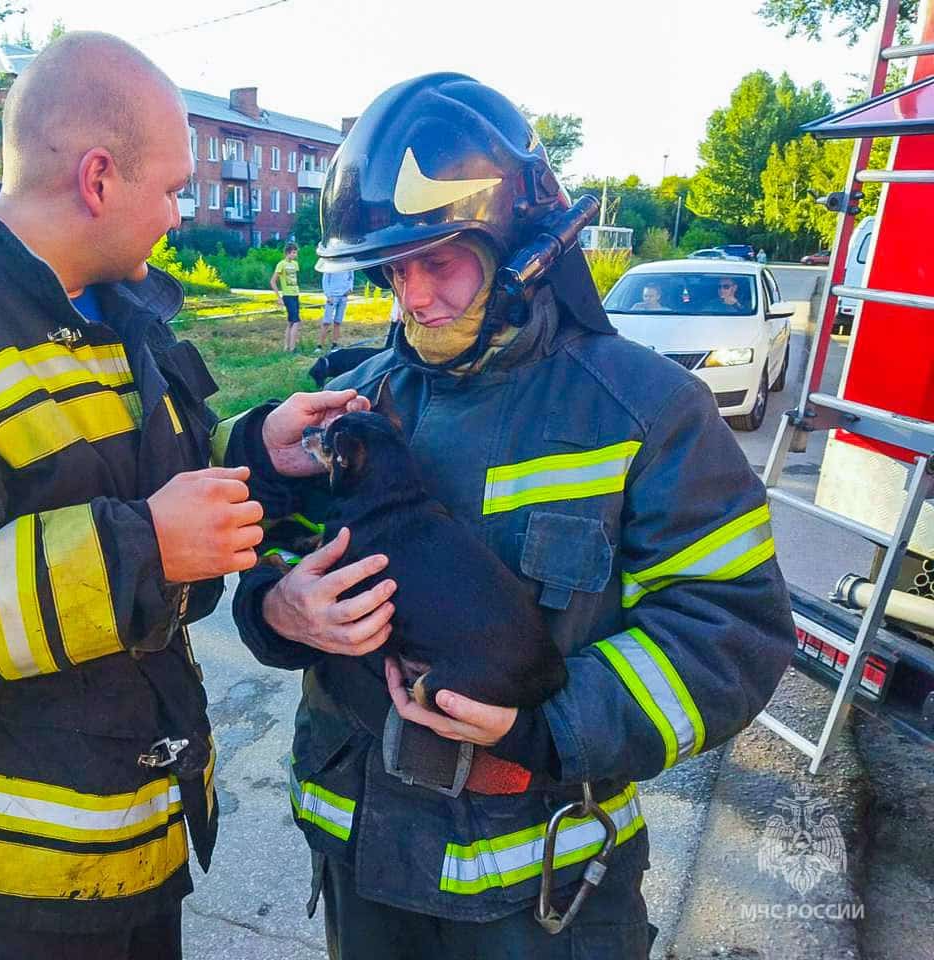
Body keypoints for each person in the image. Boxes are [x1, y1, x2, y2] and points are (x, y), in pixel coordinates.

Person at [0, 32, 362, 960]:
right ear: (98, 177)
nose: (180, 213)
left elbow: (124, 478)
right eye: (173, 188)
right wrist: (141, 549)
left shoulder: (109, 302)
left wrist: (254, 450)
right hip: (4, 885)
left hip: (134, 834)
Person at [229, 73, 796, 959]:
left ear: (521, 247)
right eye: (393, 270)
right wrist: (277, 612)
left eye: (439, 262)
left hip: (545, 899)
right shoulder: (354, 408)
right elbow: (271, 566)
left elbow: (731, 633)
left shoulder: (649, 412)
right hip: (361, 866)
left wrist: (542, 726)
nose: (413, 300)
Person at [271, 241, 302, 351]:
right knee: (297, 321)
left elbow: (294, 278)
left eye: (296, 253)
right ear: (288, 253)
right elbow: (273, 281)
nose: (295, 255)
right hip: (287, 295)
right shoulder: (281, 264)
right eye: (293, 253)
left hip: (295, 294)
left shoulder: (295, 264)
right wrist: (279, 297)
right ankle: (292, 348)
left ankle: (286, 347)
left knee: (291, 322)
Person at [319, 266, 353, 353]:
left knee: (338, 321)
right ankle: (320, 345)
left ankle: (335, 344)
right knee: (326, 322)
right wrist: (328, 295)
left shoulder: (348, 264)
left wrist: (350, 289)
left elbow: (351, 277)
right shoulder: (330, 265)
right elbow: (325, 281)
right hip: (332, 296)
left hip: (343, 296)